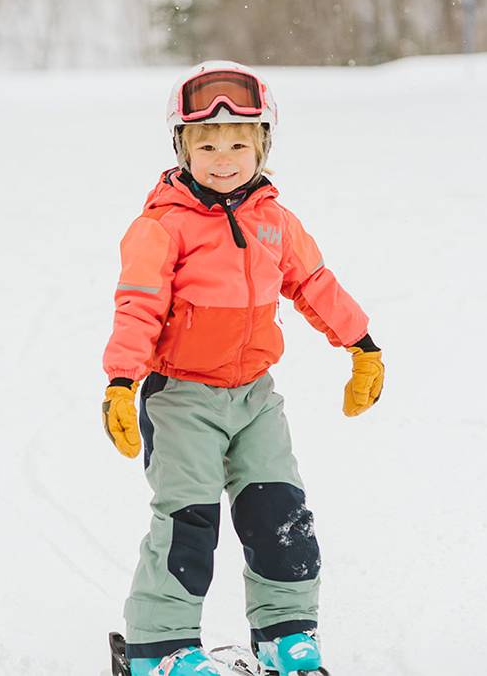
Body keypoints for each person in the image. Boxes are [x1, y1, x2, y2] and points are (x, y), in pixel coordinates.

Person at [100, 61, 385, 676]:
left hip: (256, 397)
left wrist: (361, 344)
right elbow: (138, 306)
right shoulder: (161, 227)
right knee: (188, 523)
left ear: (263, 146)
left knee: (280, 514)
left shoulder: (274, 220)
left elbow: (313, 283)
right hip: (181, 398)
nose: (222, 157)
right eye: (206, 144)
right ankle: (161, 646)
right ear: (182, 146)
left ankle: (286, 633)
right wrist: (122, 381)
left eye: (238, 143)